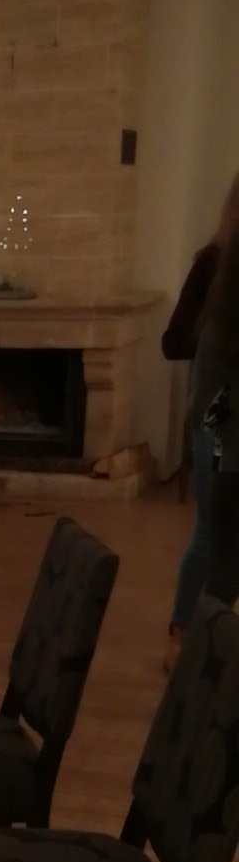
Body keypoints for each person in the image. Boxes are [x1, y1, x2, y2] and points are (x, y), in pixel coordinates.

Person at [163, 173, 239, 666]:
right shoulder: (214, 264)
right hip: (219, 417)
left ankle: (211, 642)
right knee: (213, 535)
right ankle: (185, 636)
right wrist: (214, 337)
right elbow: (173, 342)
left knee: (226, 541)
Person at [189, 215, 239, 612]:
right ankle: (189, 630)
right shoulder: (221, 328)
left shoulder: (220, 324)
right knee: (217, 559)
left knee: (220, 566)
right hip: (227, 451)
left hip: (227, 453)